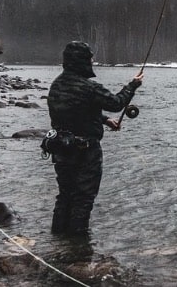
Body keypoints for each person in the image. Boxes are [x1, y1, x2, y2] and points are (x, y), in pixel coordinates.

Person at [46, 41, 143, 235]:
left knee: (65, 196)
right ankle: (78, 247)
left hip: (60, 149)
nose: (92, 61)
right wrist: (133, 85)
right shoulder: (89, 87)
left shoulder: (56, 85)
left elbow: (76, 111)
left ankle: (58, 240)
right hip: (85, 152)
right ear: (82, 61)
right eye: (90, 58)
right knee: (83, 198)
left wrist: (105, 120)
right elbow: (116, 103)